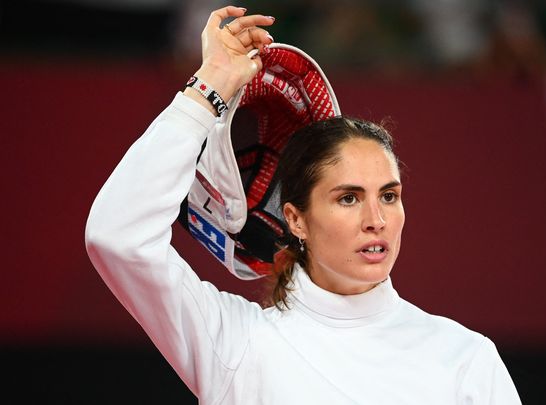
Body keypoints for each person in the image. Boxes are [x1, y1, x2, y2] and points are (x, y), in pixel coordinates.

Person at [85, 5, 522, 404]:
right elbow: (117, 237)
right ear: (296, 219)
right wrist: (208, 87)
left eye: (389, 196)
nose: (376, 220)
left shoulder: (465, 361)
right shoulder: (237, 345)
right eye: (348, 198)